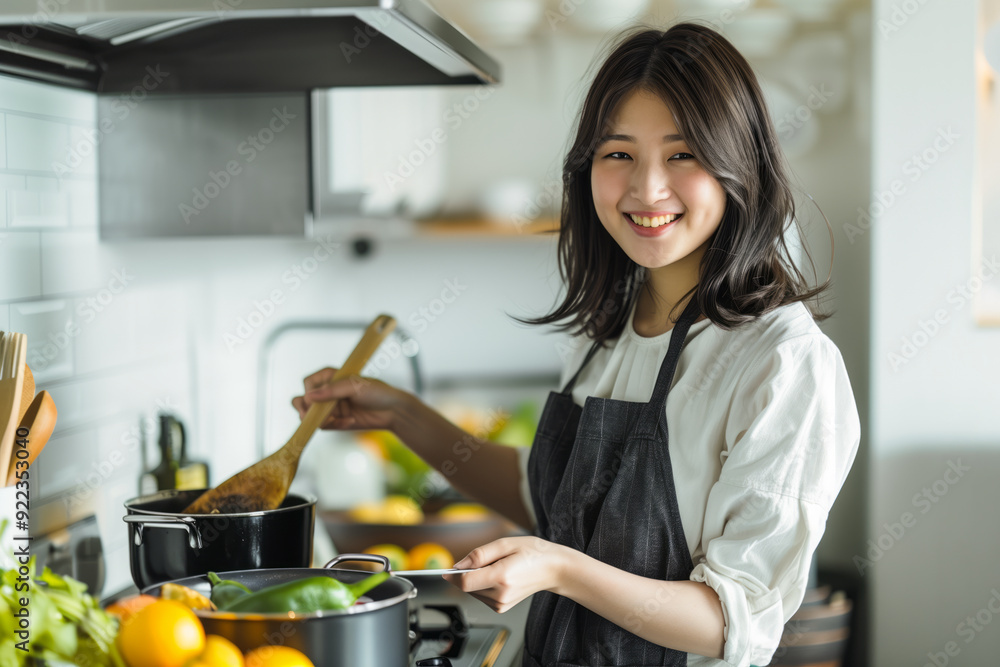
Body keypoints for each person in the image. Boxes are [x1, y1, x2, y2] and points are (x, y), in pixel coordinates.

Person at [292, 21, 861, 667]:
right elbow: (548, 498)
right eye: (619, 154)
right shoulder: (608, 332)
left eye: (683, 154)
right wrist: (402, 415)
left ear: (740, 165)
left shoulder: (783, 363)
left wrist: (560, 569)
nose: (648, 189)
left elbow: (732, 619)